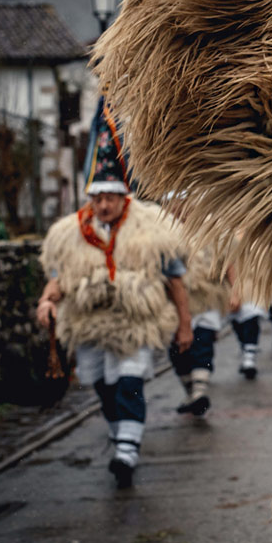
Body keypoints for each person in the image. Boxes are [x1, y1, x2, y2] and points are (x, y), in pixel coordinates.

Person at [36, 100, 191, 487]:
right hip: (90, 325)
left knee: (128, 381)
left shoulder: (152, 227)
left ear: (124, 196)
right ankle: (120, 433)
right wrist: (46, 300)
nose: (102, 205)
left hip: (134, 323)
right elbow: (58, 276)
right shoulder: (69, 233)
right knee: (103, 386)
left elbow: (175, 278)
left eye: (109, 197)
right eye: (96, 198)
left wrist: (184, 324)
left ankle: (126, 450)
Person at [169, 245, 228, 415]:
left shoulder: (211, 232)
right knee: (178, 352)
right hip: (173, 306)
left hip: (205, 301)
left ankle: (199, 392)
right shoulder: (162, 230)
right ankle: (192, 394)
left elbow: (228, 260)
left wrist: (235, 291)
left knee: (203, 344)